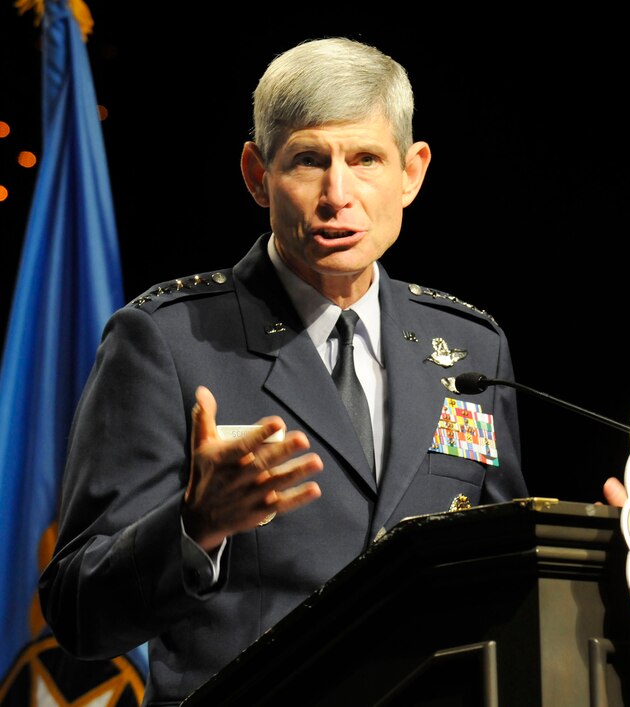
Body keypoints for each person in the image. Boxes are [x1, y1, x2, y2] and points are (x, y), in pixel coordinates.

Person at [38, 37, 529, 705]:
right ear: (256, 173)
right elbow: (76, 609)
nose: (338, 195)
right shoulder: (166, 340)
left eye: (365, 160)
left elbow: (504, 574)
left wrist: (624, 547)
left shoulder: (471, 348)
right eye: (307, 160)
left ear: (412, 172)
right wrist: (193, 526)